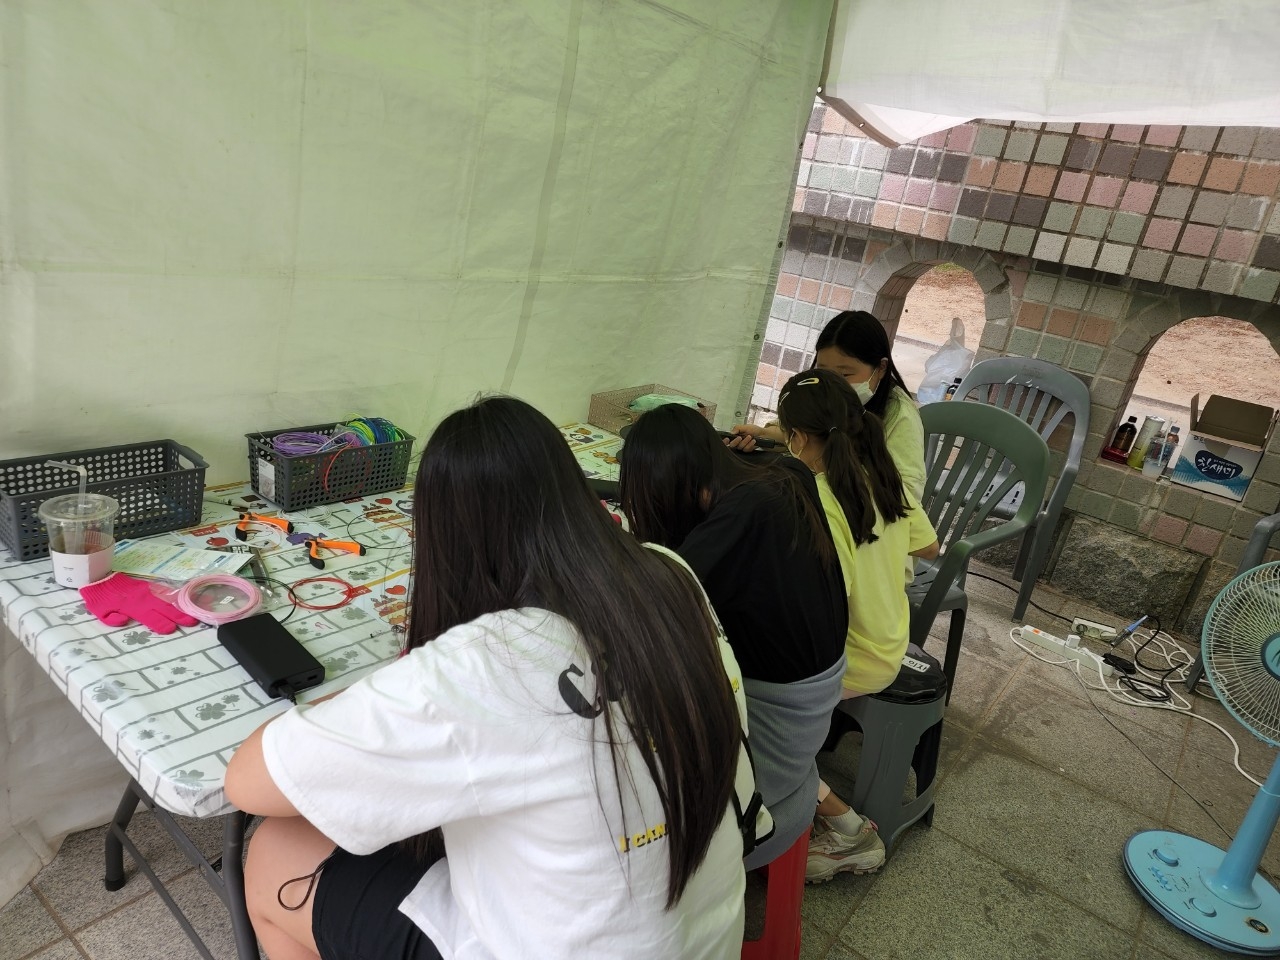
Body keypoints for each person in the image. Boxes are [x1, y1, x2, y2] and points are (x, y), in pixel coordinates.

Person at [224, 396, 755, 960]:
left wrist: (374, 691)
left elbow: (247, 782)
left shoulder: (484, 661)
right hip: (706, 935)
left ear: (442, 535)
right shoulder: (670, 572)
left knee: (276, 851)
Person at [618, 403, 852, 870]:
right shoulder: (785, 474)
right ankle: (840, 815)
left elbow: (642, 604)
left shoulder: (741, 518)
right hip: (811, 716)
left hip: (771, 744)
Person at [774, 369, 939, 883]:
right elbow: (929, 546)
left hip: (855, 655)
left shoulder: (822, 501)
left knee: (747, 714)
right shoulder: (881, 475)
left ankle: (848, 829)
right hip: (890, 638)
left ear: (796, 439)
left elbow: (825, 606)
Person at [731, 310, 926, 500]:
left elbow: (908, 493)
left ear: (881, 368)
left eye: (845, 375)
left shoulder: (900, 415)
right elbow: (804, 435)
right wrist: (763, 434)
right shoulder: (820, 390)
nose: (832, 383)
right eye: (823, 372)